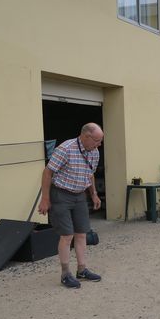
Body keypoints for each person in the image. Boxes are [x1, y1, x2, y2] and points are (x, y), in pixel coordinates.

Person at [37, 123, 104, 288]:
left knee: (81, 233)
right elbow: (48, 172)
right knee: (67, 236)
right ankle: (65, 274)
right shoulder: (65, 149)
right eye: (97, 140)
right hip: (61, 194)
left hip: (80, 195)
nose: (99, 145)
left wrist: (93, 194)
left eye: (100, 141)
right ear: (86, 136)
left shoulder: (94, 152)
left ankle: (82, 270)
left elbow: (90, 174)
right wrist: (45, 199)